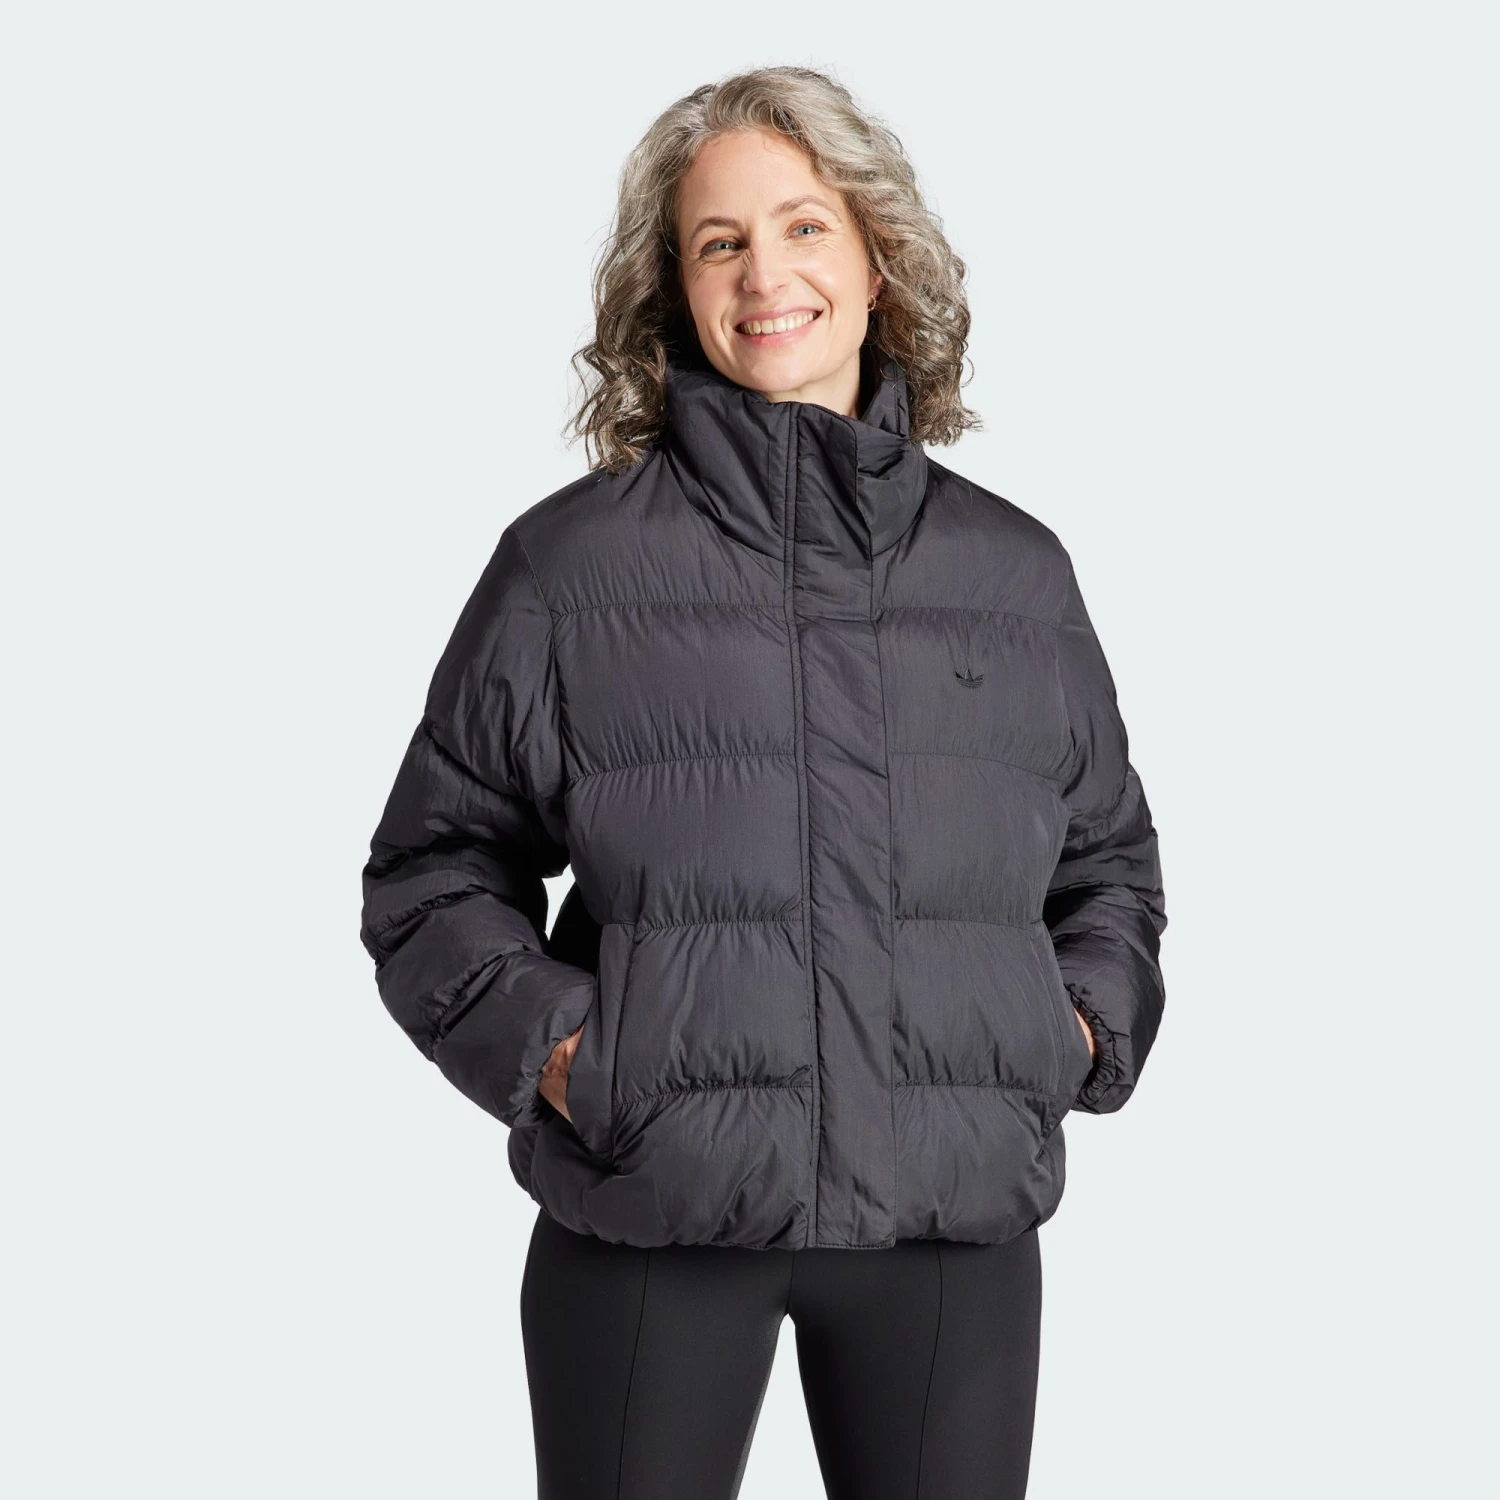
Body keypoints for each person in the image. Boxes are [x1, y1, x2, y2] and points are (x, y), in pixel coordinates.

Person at [359, 64, 1168, 1500]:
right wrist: (571, 1056)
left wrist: (1070, 1035)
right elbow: (433, 871)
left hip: (950, 1227)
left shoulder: (1014, 575)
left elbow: (1107, 866)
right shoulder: (570, 570)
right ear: (675, 290)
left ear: (877, 256)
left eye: (803, 226)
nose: (765, 275)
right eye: (718, 241)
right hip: (654, 1218)